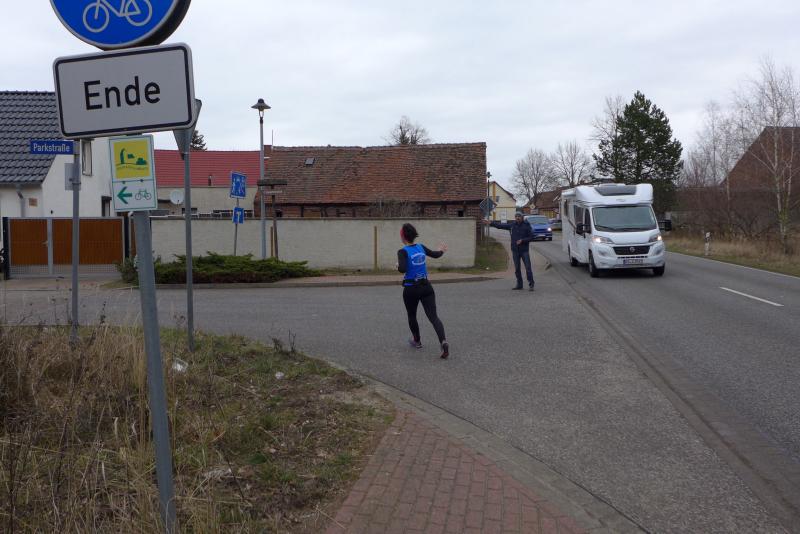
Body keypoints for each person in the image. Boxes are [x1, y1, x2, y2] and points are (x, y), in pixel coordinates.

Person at [397, 223, 449, 359]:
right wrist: (441, 250)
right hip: (426, 287)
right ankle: (443, 342)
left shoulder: (402, 252)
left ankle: (417, 341)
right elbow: (435, 255)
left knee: (412, 315)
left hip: (411, 289)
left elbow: (402, 269)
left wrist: (398, 265)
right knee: (433, 317)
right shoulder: (421, 247)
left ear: (403, 236)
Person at [485, 211, 535, 291]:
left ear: (522, 217)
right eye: (516, 216)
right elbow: (500, 226)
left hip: (524, 250)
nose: (517, 218)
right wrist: (491, 223)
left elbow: (532, 237)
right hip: (515, 250)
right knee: (517, 268)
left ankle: (531, 284)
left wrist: (523, 240)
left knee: (528, 268)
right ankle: (519, 284)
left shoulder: (526, 225)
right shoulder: (512, 225)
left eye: (519, 216)